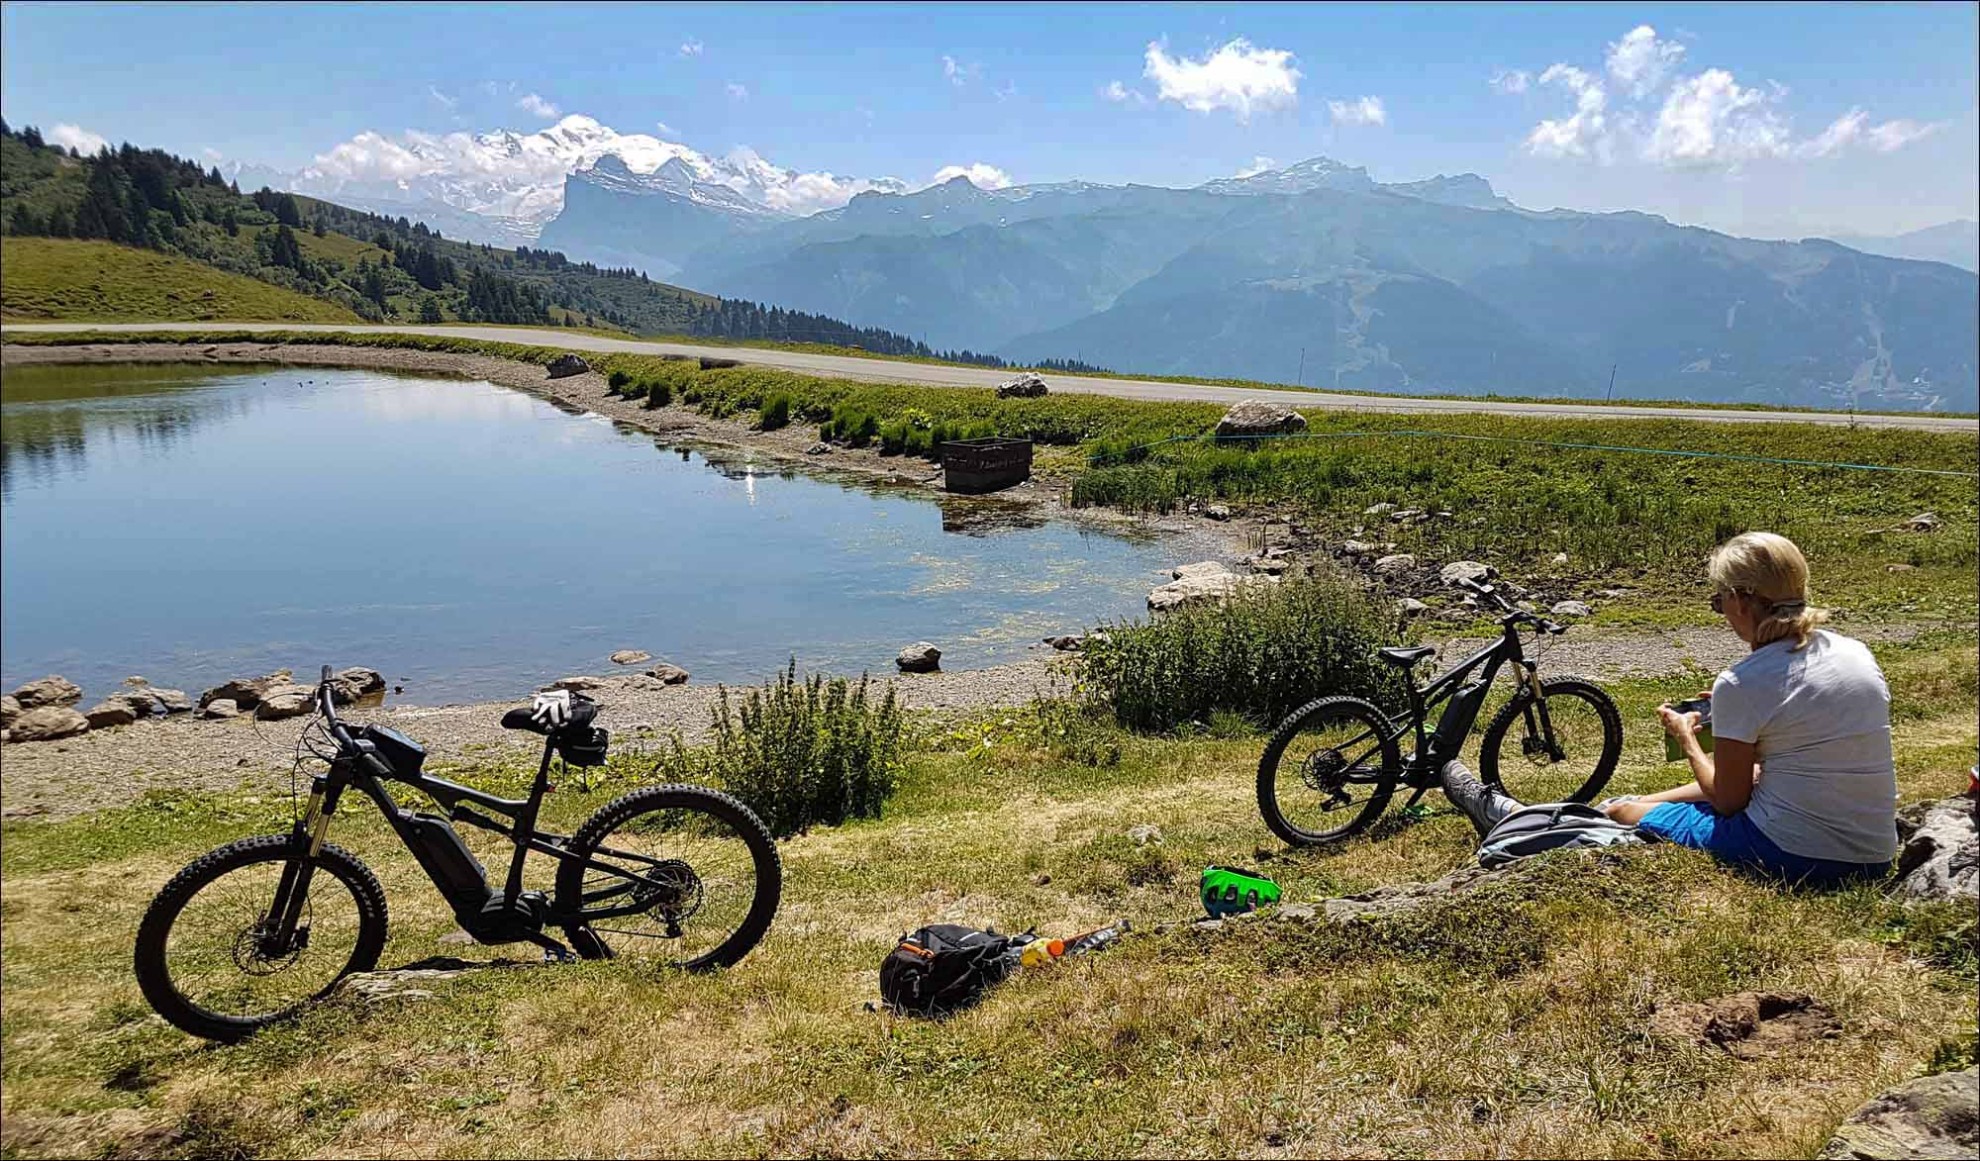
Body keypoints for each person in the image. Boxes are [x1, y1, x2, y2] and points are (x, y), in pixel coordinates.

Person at [1604, 532, 1897, 886]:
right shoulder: (1855, 651)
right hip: (1876, 855)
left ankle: (1625, 805)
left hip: (1796, 854)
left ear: (1740, 601)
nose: (1723, 614)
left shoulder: (1741, 682)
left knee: (1624, 812)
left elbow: (1729, 801)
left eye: (1719, 601)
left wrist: (1687, 739)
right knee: (1743, 781)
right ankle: (1643, 800)